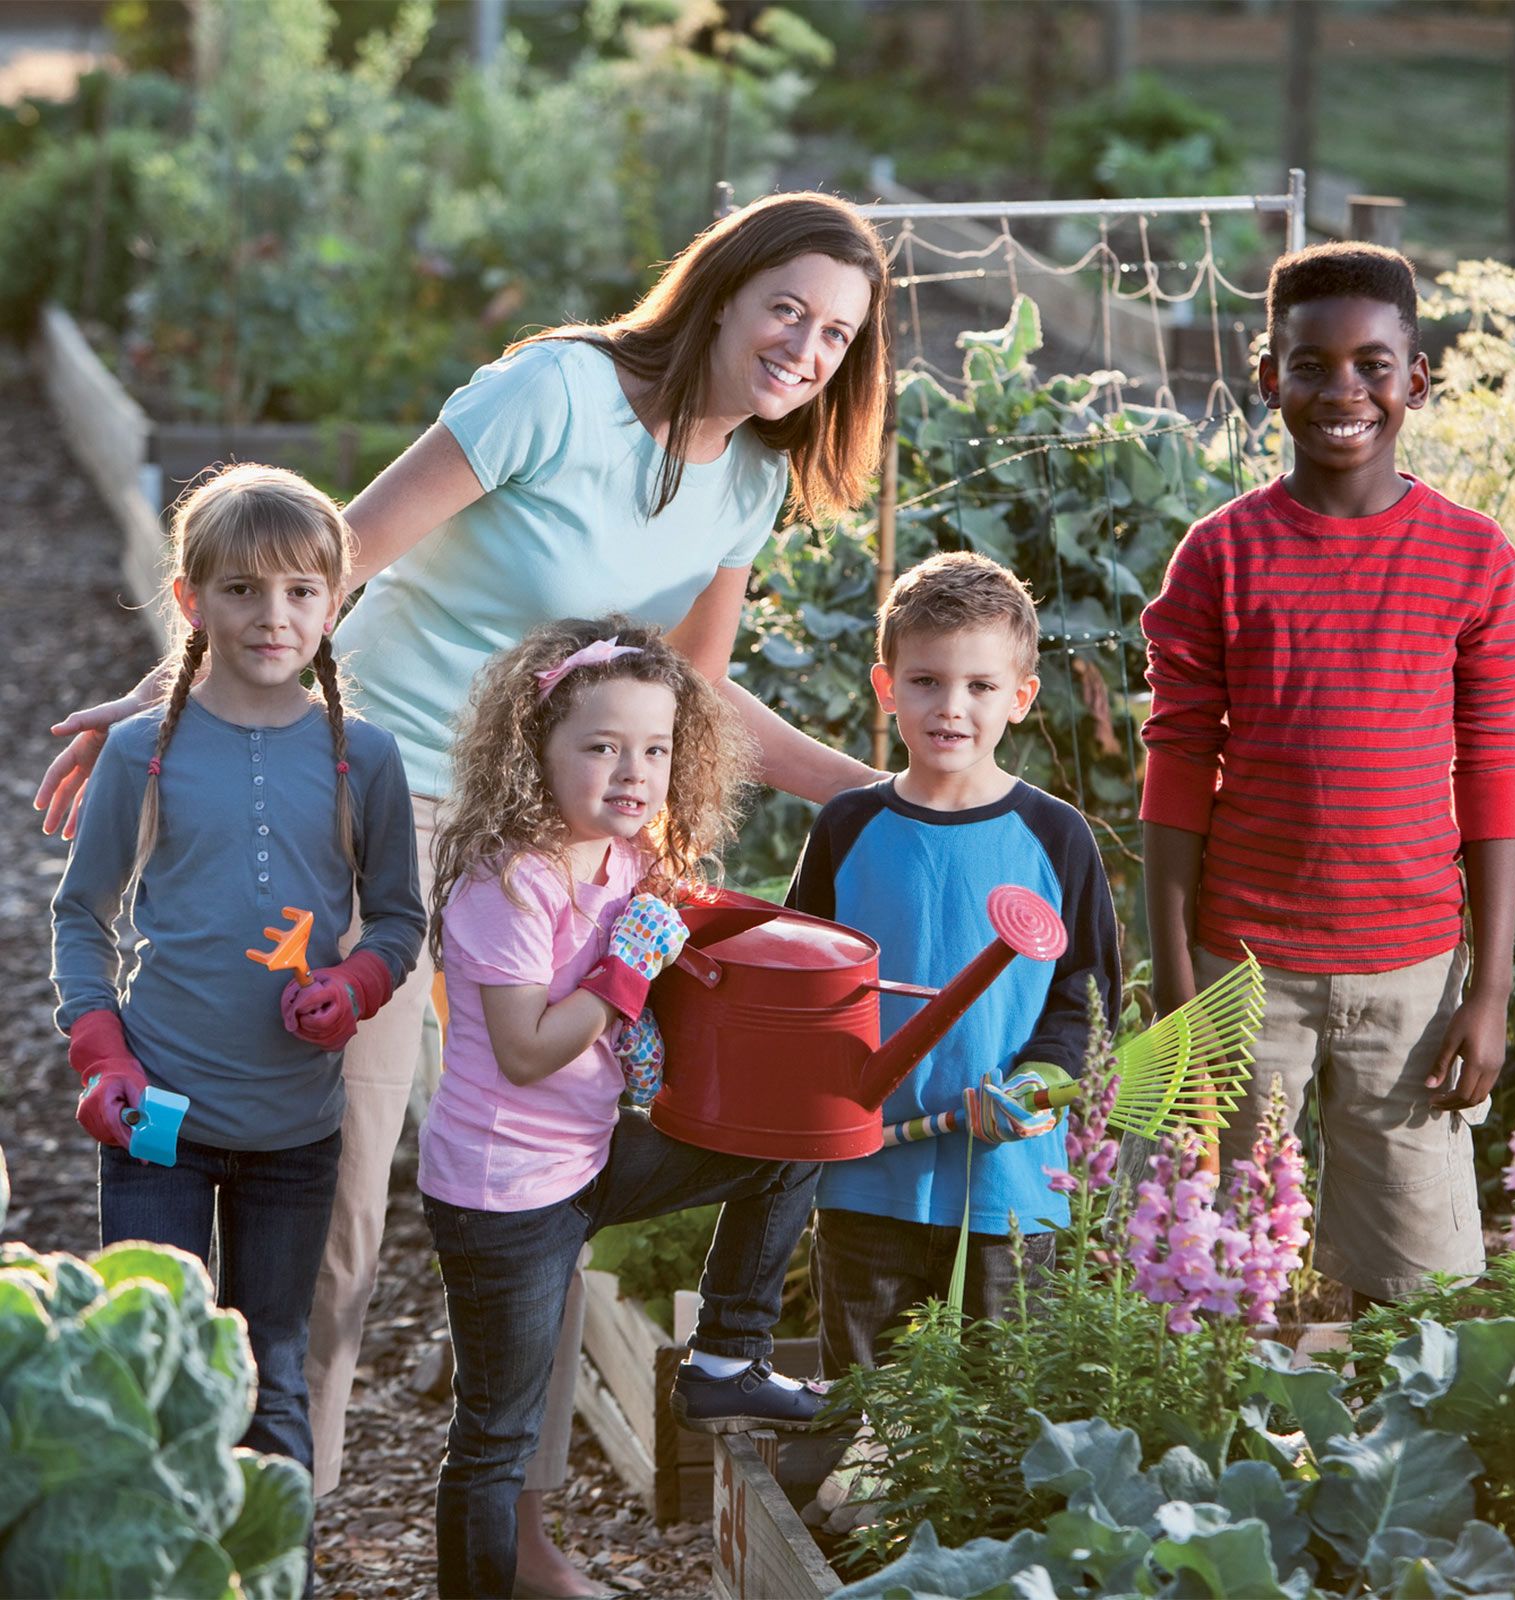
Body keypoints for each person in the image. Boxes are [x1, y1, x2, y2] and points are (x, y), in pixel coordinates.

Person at [34, 190, 891, 1591]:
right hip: (374, 804)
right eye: (786, 306)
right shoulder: (556, 391)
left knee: (542, 1182)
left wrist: (881, 793)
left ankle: (523, 1534)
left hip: (544, 845)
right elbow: (342, 553)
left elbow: (701, 694)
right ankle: (260, 1531)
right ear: (723, 293)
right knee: (343, 1200)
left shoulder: (749, 482)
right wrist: (156, 697)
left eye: (837, 333)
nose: (805, 345)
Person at [49, 464, 425, 1585]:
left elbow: (401, 918)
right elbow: (82, 912)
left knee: (274, 1370)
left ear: (337, 601)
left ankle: (277, 1574)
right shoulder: (142, 753)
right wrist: (100, 1048)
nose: (275, 618)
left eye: (304, 593)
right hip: (157, 1120)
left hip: (293, 1134)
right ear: (189, 601)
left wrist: (355, 985)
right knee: (154, 1371)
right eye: (243, 591)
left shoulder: (369, 758)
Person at [1138, 242, 1515, 1309]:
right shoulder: (1220, 556)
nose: (1342, 391)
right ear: (1269, 377)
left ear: (1416, 381)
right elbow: (1176, 770)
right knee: (1201, 1278)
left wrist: (1486, 991)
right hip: (1241, 971)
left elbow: (1491, 770)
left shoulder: (1472, 556)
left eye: (1372, 365)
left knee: (1422, 1293)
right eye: (1311, 365)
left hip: (1410, 976)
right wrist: (1178, 993)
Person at [421, 615, 825, 1598]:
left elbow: (662, 965)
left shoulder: (628, 857)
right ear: (535, 751)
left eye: (653, 748)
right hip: (502, 1193)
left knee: (792, 1142)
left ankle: (727, 1350)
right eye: (599, 746)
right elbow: (525, 1051)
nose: (631, 771)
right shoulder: (508, 882)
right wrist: (622, 974)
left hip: (590, 1156)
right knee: (497, 1434)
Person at [787, 552, 1121, 1376]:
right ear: (886, 685)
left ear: (1020, 698)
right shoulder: (846, 826)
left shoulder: (1056, 837)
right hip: (867, 1172)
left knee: (1001, 1396)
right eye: (928, 681)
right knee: (869, 1402)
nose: (951, 707)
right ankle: (853, 1505)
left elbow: (1086, 998)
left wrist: (1040, 1081)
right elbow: (800, 983)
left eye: (979, 686)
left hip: (1008, 1182)